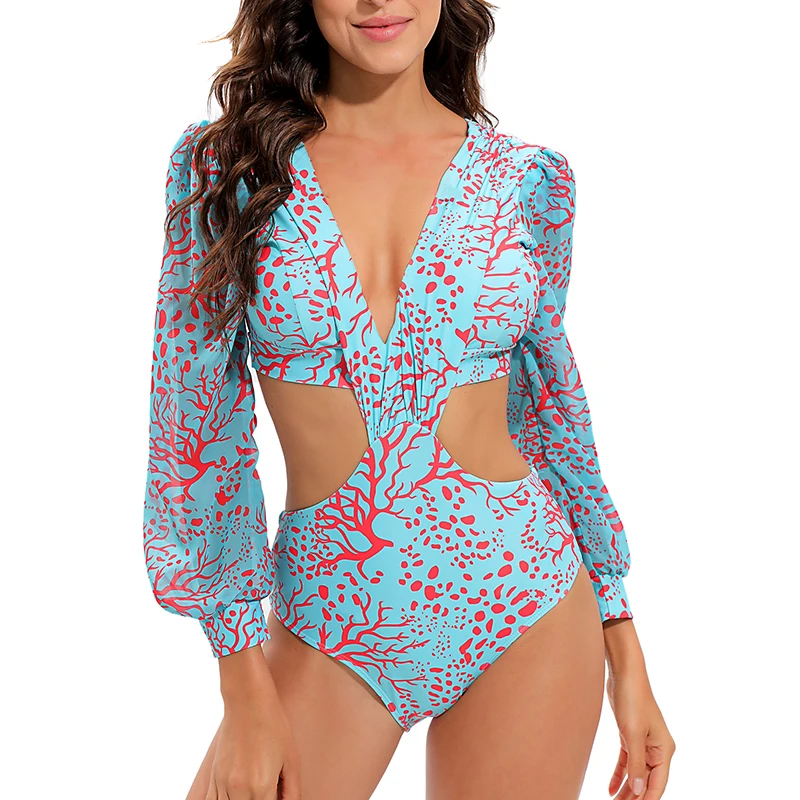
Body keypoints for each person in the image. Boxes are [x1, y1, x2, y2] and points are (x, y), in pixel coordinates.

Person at [142, 1, 676, 797]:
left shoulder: (527, 181)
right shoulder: (230, 170)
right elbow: (195, 431)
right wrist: (242, 686)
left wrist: (624, 646)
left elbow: (551, 412)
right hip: (331, 619)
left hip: (529, 604)